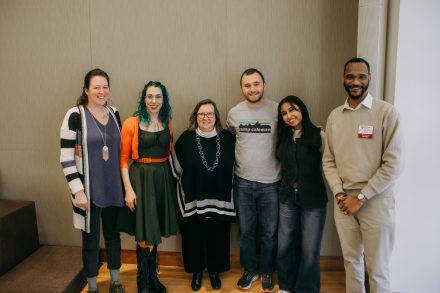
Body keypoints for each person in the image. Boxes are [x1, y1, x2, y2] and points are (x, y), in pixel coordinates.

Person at [323, 57, 403, 293]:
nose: (355, 81)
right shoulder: (335, 116)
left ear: (369, 79)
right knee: (351, 263)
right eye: (350, 76)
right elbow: (329, 160)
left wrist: (361, 198)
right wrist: (339, 194)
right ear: (343, 79)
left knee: (377, 269)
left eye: (361, 76)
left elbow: (394, 164)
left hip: (376, 202)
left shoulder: (386, 113)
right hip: (343, 203)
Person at [60, 68, 125, 293]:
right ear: (86, 90)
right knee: (90, 241)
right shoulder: (75, 115)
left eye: (105, 86)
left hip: (114, 188)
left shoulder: (115, 113)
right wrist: (78, 191)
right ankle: (93, 286)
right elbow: (66, 158)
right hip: (89, 191)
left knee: (113, 237)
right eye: (96, 87)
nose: (101, 91)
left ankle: (116, 282)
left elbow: (121, 153)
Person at [117, 81, 179, 293]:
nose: (154, 101)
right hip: (140, 181)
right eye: (150, 96)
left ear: (164, 100)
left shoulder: (166, 121)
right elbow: (123, 160)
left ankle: (152, 277)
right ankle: (143, 281)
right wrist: (128, 189)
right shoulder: (131, 123)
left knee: (154, 230)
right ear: (144, 99)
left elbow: (168, 153)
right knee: (145, 233)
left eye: (158, 97)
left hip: (161, 180)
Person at [172, 99, 236, 291]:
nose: (206, 117)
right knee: (193, 237)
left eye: (210, 114)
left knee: (219, 236)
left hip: (221, 199)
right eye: (202, 114)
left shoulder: (228, 139)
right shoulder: (186, 139)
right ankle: (197, 271)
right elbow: (175, 170)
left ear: (216, 117)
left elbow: (238, 166)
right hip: (192, 199)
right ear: (195, 117)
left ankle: (215, 271)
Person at [226, 68, 281, 292]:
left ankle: (267, 270)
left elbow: (294, 129)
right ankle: (250, 269)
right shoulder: (234, 113)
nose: (252, 89)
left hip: (271, 183)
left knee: (269, 232)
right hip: (243, 182)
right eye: (247, 85)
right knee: (246, 231)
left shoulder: (277, 109)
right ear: (242, 88)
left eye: (256, 84)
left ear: (264, 84)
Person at [276, 96, 328, 293]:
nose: (289, 115)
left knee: (309, 250)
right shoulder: (284, 136)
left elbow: (331, 163)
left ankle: (306, 289)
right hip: (288, 197)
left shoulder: (318, 135)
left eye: (293, 110)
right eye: (284, 113)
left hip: (313, 198)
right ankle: (286, 286)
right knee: (285, 245)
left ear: (302, 110)